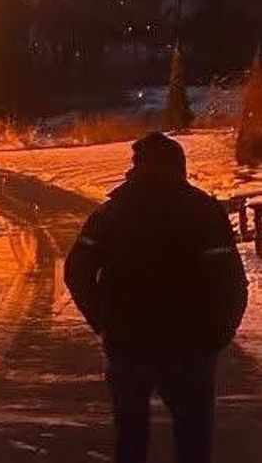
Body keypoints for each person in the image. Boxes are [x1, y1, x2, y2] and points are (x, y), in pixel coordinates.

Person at [64, 132, 248, 463]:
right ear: (179, 167)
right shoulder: (203, 212)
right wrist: (220, 333)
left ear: (136, 167)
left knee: (130, 437)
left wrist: (104, 323)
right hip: (191, 344)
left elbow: (76, 271)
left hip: (129, 341)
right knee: (193, 438)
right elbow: (230, 279)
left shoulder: (110, 215)